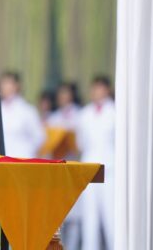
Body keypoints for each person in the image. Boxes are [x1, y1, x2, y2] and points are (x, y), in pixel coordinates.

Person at [77, 75, 115, 250]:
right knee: (89, 216)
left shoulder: (116, 112)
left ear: (107, 89)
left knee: (111, 214)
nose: (96, 92)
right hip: (89, 167)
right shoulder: (85, 113)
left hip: (110, 168)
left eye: (100, 88)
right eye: (94, 88)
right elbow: (80, 142)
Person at [47, 82, 83, 249]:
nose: (63, 97)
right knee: (59, 215)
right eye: (60, 94)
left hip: (75, 167)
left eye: (66, 94)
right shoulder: (53, 118)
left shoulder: (82, 115)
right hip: (58, 169)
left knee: (75, 216)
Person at [0, 72, 46, 159]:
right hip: (1, 161)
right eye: (3, 83)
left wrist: (28, 152)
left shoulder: (28, 110)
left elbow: (39, 137)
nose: (5, 87)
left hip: (23, 159)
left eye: (8, 83)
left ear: (17, 85)